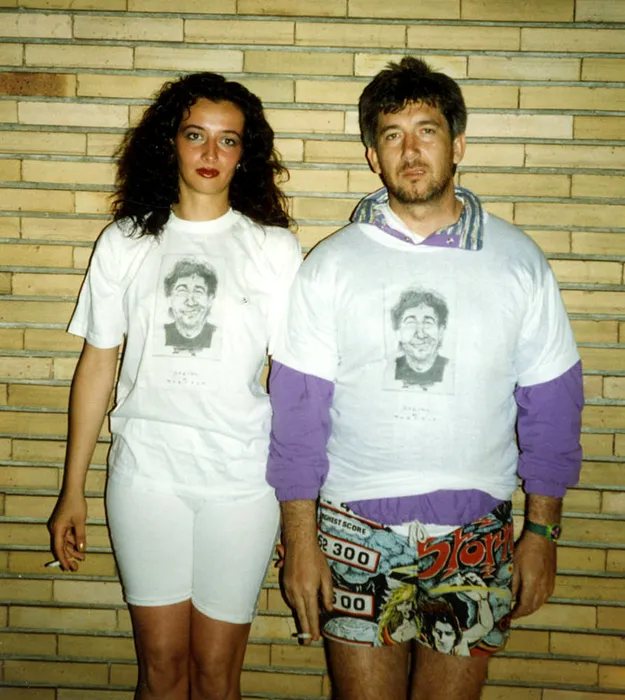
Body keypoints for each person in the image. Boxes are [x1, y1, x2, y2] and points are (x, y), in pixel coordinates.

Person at [267, 56, 583, 700]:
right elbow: (297, 415)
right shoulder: (331, 265)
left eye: (427, 131)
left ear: (457, 144)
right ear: (373, 156)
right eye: (392, 135)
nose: (411, 151)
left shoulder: (518, 261)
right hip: (352, 530)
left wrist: (542, 531)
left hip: (476, 533)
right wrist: (299, 540)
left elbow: (552, 405)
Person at [48, 72, 301, 700]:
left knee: (216, 674)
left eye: (228, 140)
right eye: (196, 135)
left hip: (242, 482)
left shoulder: (273, 249)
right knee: (161, 669)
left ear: (245, 153)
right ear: (170, 143)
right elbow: (98, 366)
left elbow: (294, 383)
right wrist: (72, 488)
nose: (211, 153)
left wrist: (299, 509)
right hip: (146, 477)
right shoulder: (126, 241)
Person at [389, 287, 449, 388]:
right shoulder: (386, 371)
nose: (420, 334)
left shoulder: (452, 372)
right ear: (398, 332)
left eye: (428, 322)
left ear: (441, 331)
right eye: (411, 323)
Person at [163, 258, 219, 354]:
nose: (190, 302)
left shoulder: (218, 335)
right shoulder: (159, 334)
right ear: (169, 298)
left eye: (198, 292)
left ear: (210, 299)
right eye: (182, 291)